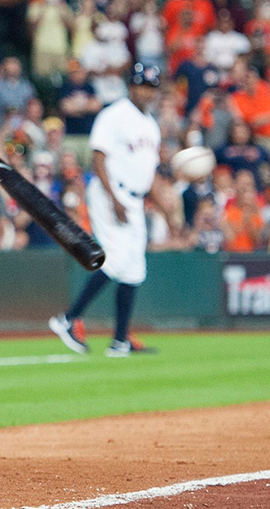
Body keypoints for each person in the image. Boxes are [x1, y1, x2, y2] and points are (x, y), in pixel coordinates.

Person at [49, 64, 162, 357]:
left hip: (135, 199)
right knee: (116, 258)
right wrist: (114, 199)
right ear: (130, 86)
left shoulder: (151, 124)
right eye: (141, 85)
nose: (146, 91)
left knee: (135, 269)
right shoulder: (115, 115)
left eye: (151, 86)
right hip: (112, 193)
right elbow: (98, 158)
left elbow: (147, 170)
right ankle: (68, 318)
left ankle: (120, 341)